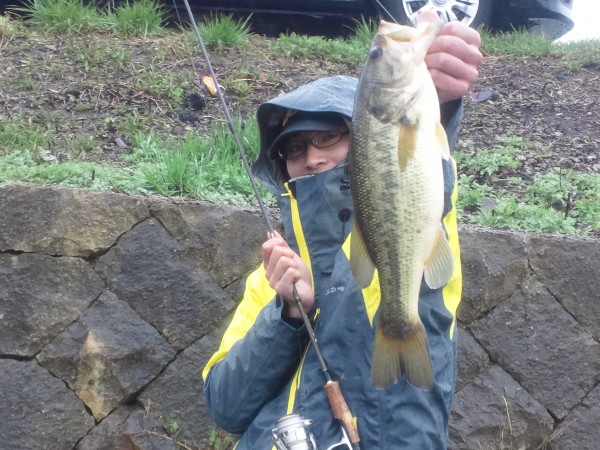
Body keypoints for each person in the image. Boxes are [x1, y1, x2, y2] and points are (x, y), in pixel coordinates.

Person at [202, 12, 483, 450]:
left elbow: (422, 167)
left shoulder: (403, 228)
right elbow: (225, 406)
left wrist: (440, 104)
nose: (312, 157)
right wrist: (288, 314)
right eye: (294, 147)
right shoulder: (273, 274)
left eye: (329, 136)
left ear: (364, 134)